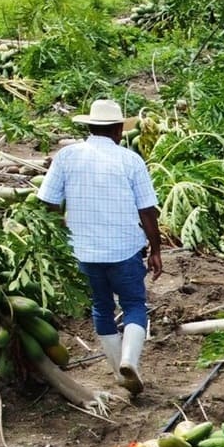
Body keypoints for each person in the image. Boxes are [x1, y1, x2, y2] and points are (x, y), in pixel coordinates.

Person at [38, 99, 162, 397]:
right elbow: (147, 211)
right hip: (124, 249)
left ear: (90, 127)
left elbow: (47, 201)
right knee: (134, 305)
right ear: (118, 129)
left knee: (101, 307)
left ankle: (119, 371)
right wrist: (156, 249)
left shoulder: (66, 156)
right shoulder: (130, 160)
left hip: (83, 251)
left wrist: (63, 227)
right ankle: (129, 361)